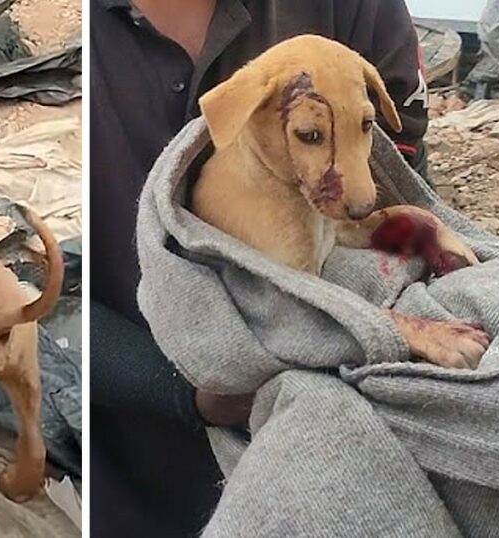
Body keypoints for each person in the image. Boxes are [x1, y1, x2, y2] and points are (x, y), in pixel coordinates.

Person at [90, 0, 429, 535]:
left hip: (346, 460)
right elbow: (52, 292)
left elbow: (394, 179)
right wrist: (183, 391)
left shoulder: (359, 10)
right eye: (309, 135)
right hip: (134, 470)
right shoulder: (83, 50)